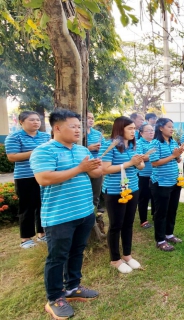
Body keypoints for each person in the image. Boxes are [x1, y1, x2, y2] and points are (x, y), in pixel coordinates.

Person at [30, 109, 103, 320]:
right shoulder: (44, 151)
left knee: (77, 251)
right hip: (59, 215)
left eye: (79, 127)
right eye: (73, 126)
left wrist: (94, 167)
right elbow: (44, 178)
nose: (78, 130)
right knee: (57, 257)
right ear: (57, 128)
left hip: (84, 211)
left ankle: (72, 287)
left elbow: (94, 174)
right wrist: (80, 168)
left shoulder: (81, 150)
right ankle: (54, 298)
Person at [100, 117, 145, 274]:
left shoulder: (133, 145)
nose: (134, 131)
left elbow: (140, 166)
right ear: (120, 129)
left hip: (133, 188)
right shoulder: (109, 145)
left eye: (134, 128)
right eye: (130, 128)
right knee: (116, 225)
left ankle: (127, 255)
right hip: (115, 191)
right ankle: (115, 259)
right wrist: (129, 163)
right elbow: (104, 169)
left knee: (128, 223)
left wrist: (139, 162)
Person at [4, 110, 51, 248]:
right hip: (25, 176)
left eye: (38, 119)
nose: (36, 122)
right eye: (32, 120)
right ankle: (26, 238)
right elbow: (12, 157)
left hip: (44, 175)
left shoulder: (45, 136)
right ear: (21, 122)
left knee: (43, 204)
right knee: (27, 207)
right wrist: (36, 152)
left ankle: (42, 234)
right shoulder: (14, 137)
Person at [149, 118, 183, 251]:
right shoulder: (155, 143)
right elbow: (154, 162)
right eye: (169, 126)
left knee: (172, 210)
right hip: (161, 183)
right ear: (161, 128)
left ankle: (169, 234)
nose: (172, 129)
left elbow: (177, 159)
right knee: (161, 212)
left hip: (174, 181)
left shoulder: (173, 141)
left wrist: (178, 155)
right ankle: (160, 240)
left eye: (172, 126)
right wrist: (172, 155)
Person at [137, 124, 155, 229]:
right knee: (143, 198)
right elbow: (140, 158)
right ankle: (143, 220)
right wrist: (152, 156)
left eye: (152, 130)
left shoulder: (155, 142)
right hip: (143, 175)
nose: (151, 132)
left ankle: (154, 215)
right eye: (148, 130)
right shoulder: (139, 143)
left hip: (155, 174)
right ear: (141, 133)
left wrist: (147, 157)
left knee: (154, 196)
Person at [86, 112, 104, 215]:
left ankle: (94, 212)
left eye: (92, 118)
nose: (91, 120)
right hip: (83, 167)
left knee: (96, 192)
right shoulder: (78, 133)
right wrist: (89, 148)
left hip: (97, 165)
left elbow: (105, 148)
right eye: (88, 118)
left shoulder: (98, 134)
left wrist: (101, 149)